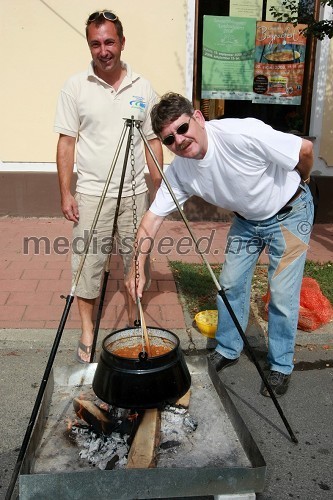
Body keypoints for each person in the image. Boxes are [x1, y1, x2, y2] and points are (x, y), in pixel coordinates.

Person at [126, 92, 314, 398]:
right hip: (247, 221)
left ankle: (281, 364)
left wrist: (302, 179)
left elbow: (304, 149)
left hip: (290, 213)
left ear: (198, 118)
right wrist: (137, 269)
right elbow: (150, 221)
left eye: (183, 128)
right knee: (228, 284)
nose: (180, 141)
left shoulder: (241, 134)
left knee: (281, 292)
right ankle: (228, 347)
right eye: (169, 139)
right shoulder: (179, 171)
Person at [54, 10, 163, 363]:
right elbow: (66, 142)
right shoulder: (75, 86)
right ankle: (87, 330)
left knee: (136, 264)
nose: (103, 50)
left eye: (109, 42)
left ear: (122, 43)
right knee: (87, 266)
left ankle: (134, 323)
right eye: (96, 43)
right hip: (90, 195)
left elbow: (152, 140)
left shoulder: (143, 87)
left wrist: (159, 184)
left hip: (134, 194)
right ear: (90, 45)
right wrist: (65, 192)